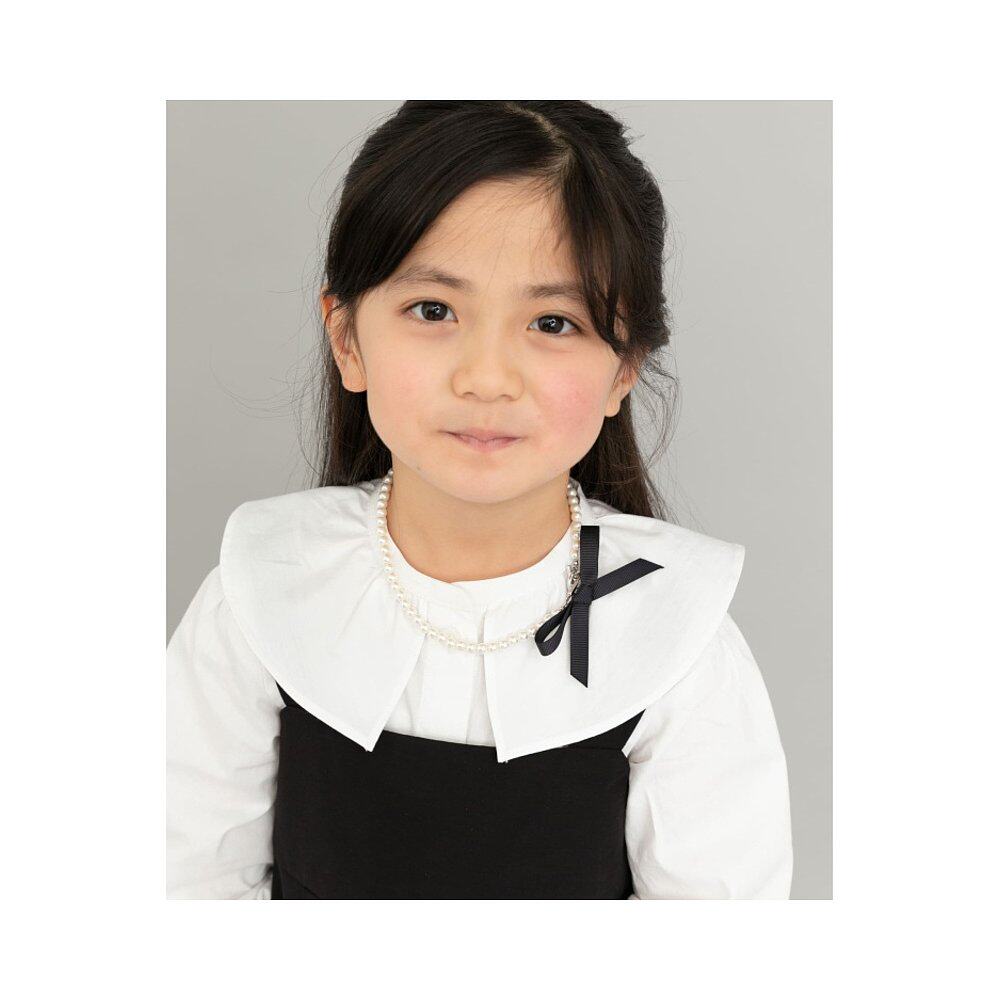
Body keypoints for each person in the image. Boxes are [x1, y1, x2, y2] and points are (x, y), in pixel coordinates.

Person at [166, 100, 793, 899]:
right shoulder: (262, 591)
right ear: (347, 339)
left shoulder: (677, 632)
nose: (487, 378)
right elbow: (184, 883)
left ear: (624, 368)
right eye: (434, 311)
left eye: (554, 322)